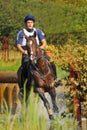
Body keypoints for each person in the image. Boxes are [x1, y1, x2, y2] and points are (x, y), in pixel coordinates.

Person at [16, 14, 57, 90]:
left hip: (38, 53)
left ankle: (55, 80)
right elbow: (18, 45)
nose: (30, 24)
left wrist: (42, 47)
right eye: (28, 22)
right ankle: (23, 86)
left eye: (31, 22)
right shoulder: (21, 33)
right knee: (24, 67)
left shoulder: (38, 31)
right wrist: (23, 51)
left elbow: (44, 42)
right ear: (26, 23)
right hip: (27, 53)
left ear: (33, 23)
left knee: (51, 62)